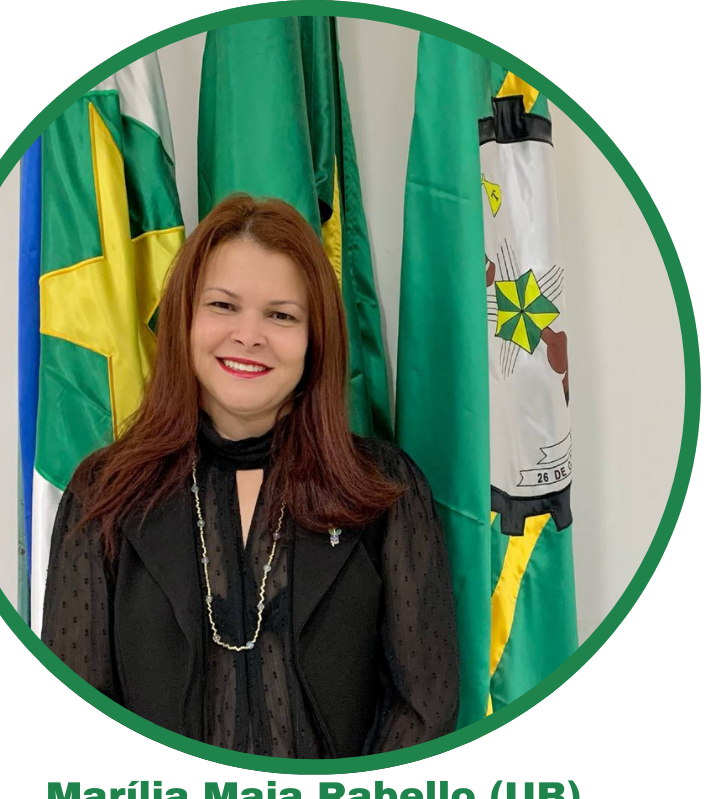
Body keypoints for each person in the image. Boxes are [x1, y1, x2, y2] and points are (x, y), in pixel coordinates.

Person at [41, 194, 459, 758]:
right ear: (185, 318)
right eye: (223, 305)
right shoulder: (103, 493)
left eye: (281, 315)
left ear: (315, 338)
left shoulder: (386, 490)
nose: (249, 335)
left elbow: (424, 707)